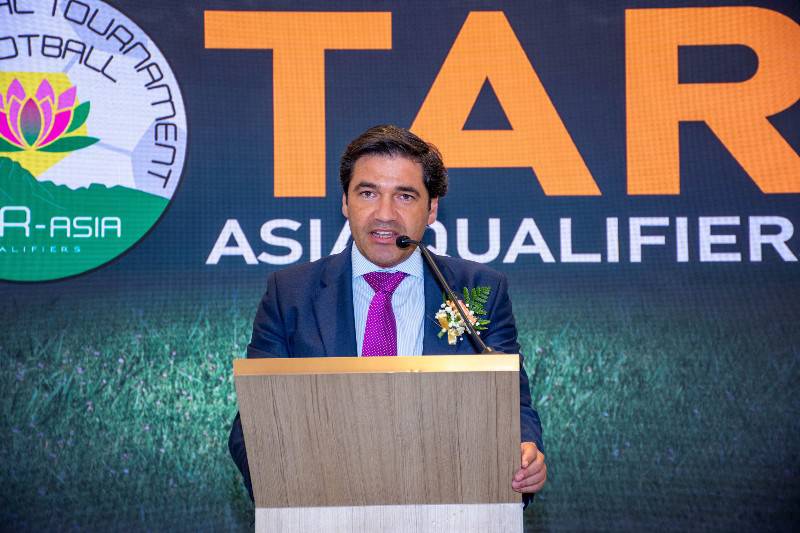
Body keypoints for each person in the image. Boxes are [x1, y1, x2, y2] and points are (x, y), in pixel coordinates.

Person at [229, 124, 546, 503]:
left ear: (431, 209)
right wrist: (291, 493)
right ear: (345, 202)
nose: (384, 214)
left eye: (405, 196)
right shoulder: (290, 294)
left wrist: (524, 452)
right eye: (368, 193)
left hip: (450, 509)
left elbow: (512, 406)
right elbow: (255, 422)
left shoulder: (479, 289)